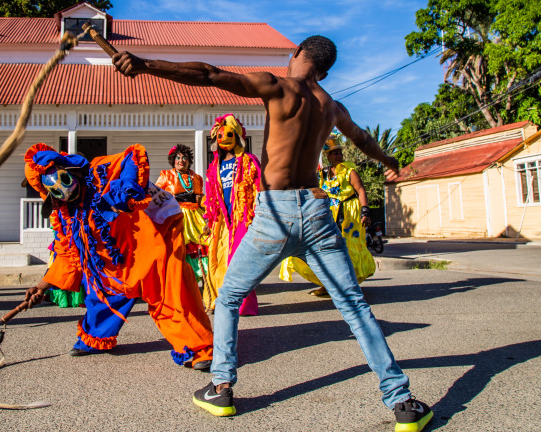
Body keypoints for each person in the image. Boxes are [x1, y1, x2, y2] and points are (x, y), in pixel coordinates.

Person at [113, 35, 433, 431]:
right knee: (354, 306)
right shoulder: (332, 106)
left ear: (296, 52)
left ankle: (221, 388)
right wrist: (389, 160)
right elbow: (363, 139)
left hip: (274, 214)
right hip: (316, 211)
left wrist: (145, 65)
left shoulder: (277, 86)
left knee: (228, 298)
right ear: (325, 72)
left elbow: (208, 74)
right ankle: (401, 401)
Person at [20, 143, 213, 369]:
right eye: (53, 190)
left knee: (167, 288)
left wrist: (127, 189)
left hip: (154, 231)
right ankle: (96, 336)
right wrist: (41, 286)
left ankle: (200, 348)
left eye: (63, 180)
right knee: (102, 287)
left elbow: (133, 154)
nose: (63, 190)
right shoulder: (66, 214)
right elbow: (68, 253)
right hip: (117, 251)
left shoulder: (99, 171)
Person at [279, 135, 376, 296]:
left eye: (340, 152)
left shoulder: (349, 171)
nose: (338, 156)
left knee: (347, 249)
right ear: (328, 156)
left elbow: (360, 190)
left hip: (348, 216)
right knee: (322, 249)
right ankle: (326, 285)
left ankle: (349, 286)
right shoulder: (322, 174)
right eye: (335, 153)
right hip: (328, 215)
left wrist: (365, 211)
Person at [201, 114, 261, 315]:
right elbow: (211, 195)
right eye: (220, 136)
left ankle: (243, 305)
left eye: (229, 134)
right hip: (221, 219)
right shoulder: (214, 166)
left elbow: (258, 187)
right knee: (216, 257)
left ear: (237, 137)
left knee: (238, 259)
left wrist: (259, 215)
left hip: (243, 216)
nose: (224, 139)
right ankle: (218, 300)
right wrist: (209, 219)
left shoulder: (248, 160)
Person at [154, 144, 209, 290]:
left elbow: (200, 198)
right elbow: (156, 196)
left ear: (189, 160)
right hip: (175, 216)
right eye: (178, 158)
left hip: (196, 217)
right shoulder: (166, 175)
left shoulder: (196, 178)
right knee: (178, 248)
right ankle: (180, 284)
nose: (181, 160)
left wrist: (206, 206)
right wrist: (168, 201)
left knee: (203, 246)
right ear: (173, 160)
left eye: (184, 158)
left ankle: (205, 284)